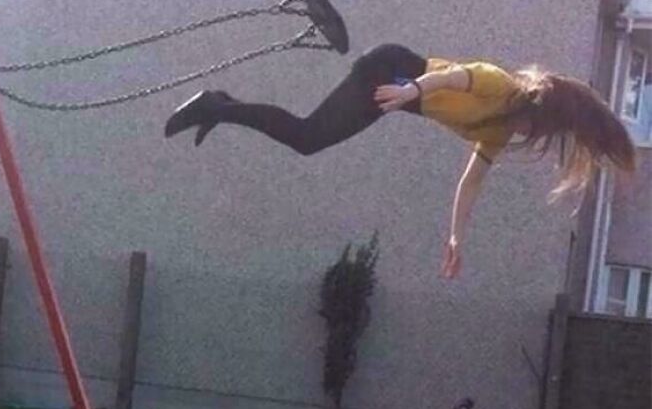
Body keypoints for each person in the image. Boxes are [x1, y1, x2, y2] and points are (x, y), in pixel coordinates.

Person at [164, 43, 636, 278]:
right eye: (538, 127)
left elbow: (471, 182)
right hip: (393, 71)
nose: (530, 137)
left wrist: (456, 235)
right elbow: (453, 78)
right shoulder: (499, 85)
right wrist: (411, 89)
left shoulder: (500, 128)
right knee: (308, 137)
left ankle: (220, 106)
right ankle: (217, 105)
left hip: (398, 93)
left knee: (307, 138)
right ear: (535, 106)